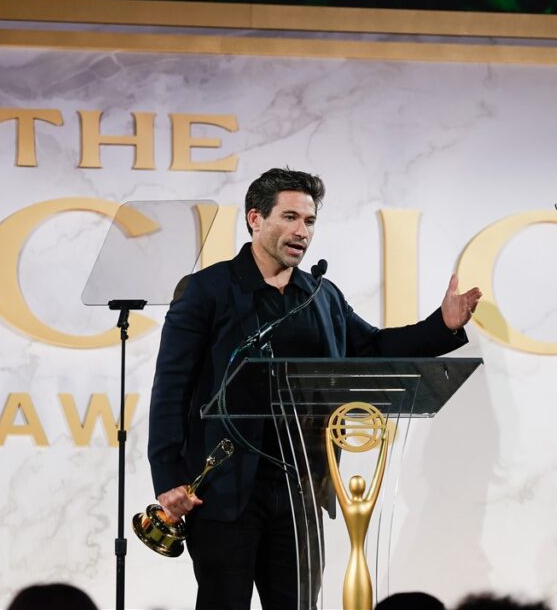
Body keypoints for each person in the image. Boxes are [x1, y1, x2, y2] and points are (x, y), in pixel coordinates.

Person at [147, 167, 482, 610]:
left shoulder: (320, 295)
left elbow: (372, 347)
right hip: (225, 489)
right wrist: (169, 477)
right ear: (255, 219)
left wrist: (442, 326)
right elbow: (171, 388)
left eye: (309, 221)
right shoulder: (208, 290)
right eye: (289, 217)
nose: (301, 231)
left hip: (300, 486)